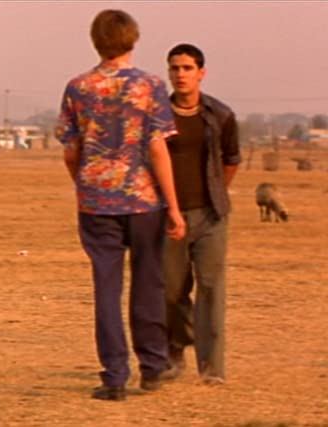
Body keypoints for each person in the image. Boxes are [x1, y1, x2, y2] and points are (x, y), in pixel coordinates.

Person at [55, 9, 186, 401]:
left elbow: (70, 151)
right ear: (133, 39)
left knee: (106, 289)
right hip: (144, 201)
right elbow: (158, 149)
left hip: (96, 202)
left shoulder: (78, 87)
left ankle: (114, 375)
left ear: (96, 40)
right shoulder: (150, 86)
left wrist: (86, 183)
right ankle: (153, 366)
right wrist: (173, 206)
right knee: (149, 283)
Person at [161, 43, 240, 386]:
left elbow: (231, 160)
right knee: (170, 289)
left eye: (187, 68)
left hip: (210, 216)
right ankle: (175, 348)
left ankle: (212, 367)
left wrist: (215, 192)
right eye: (175, 68)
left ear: (201, 73)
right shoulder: (157, 115)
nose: (181, 74)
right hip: (168, 216)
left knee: (211, 289)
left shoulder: (220, 115)